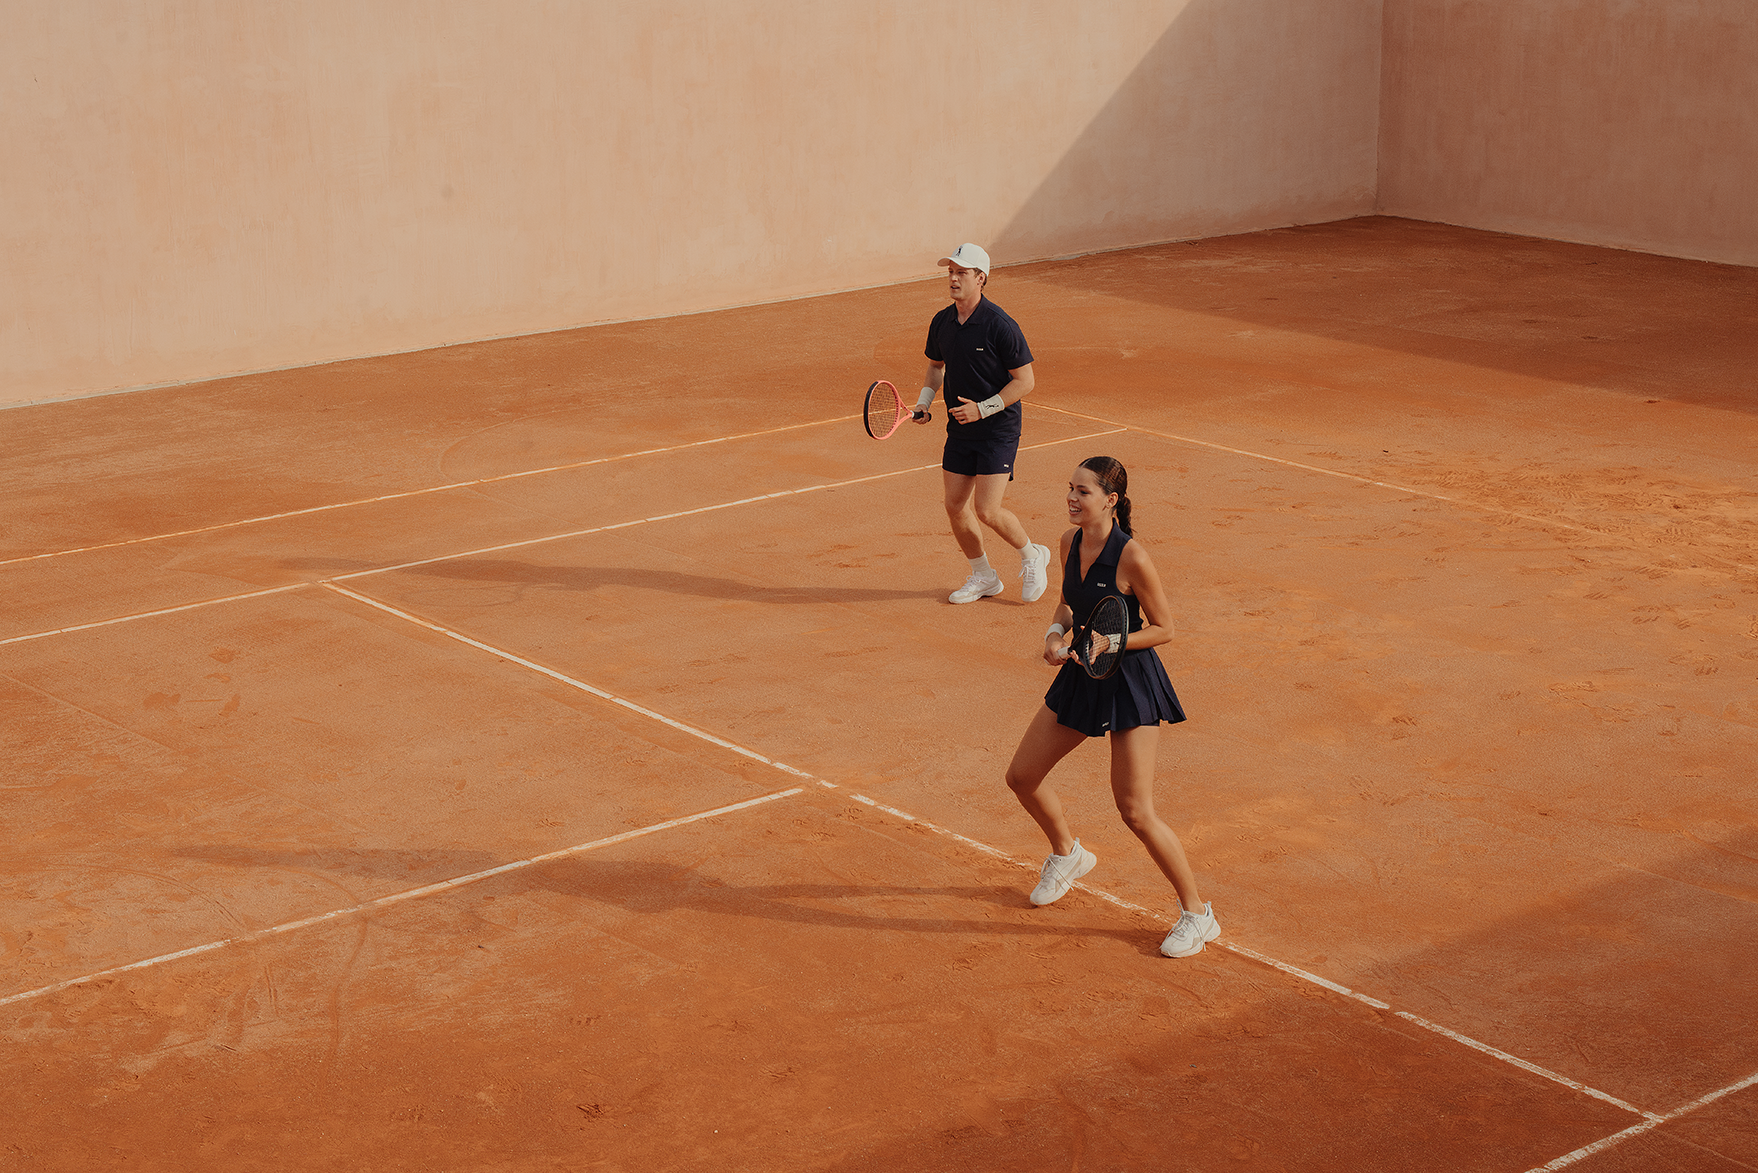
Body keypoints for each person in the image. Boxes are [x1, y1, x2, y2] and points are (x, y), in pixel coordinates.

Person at [1003, 456, 1220, 958]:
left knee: (1135, 810)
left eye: (1083, 491)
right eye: (1070, 488)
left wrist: (1111, 644)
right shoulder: (1068, 541)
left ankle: (1197, 915)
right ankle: (1068, 854)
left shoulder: (1132, 557)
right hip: (1083, 671)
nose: (1071, 498)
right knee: (1022, 776)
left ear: (1110, 500)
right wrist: (1054, 633)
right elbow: (1068, 603)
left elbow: (1165, 628)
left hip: (1130, 683)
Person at [912, 243, 1052, 605]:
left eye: (962, 272)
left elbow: (1025, 381)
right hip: (960, 429)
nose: (953, 278)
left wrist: (983, 409)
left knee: (987, 510)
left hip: (997, 429)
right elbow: (935, 367)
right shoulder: (942, 321)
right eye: (950, 272)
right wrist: (925, 402)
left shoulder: (1000, 325)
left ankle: (1032, 555)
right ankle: (984, 576)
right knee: (955, 505)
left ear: (981, 278)